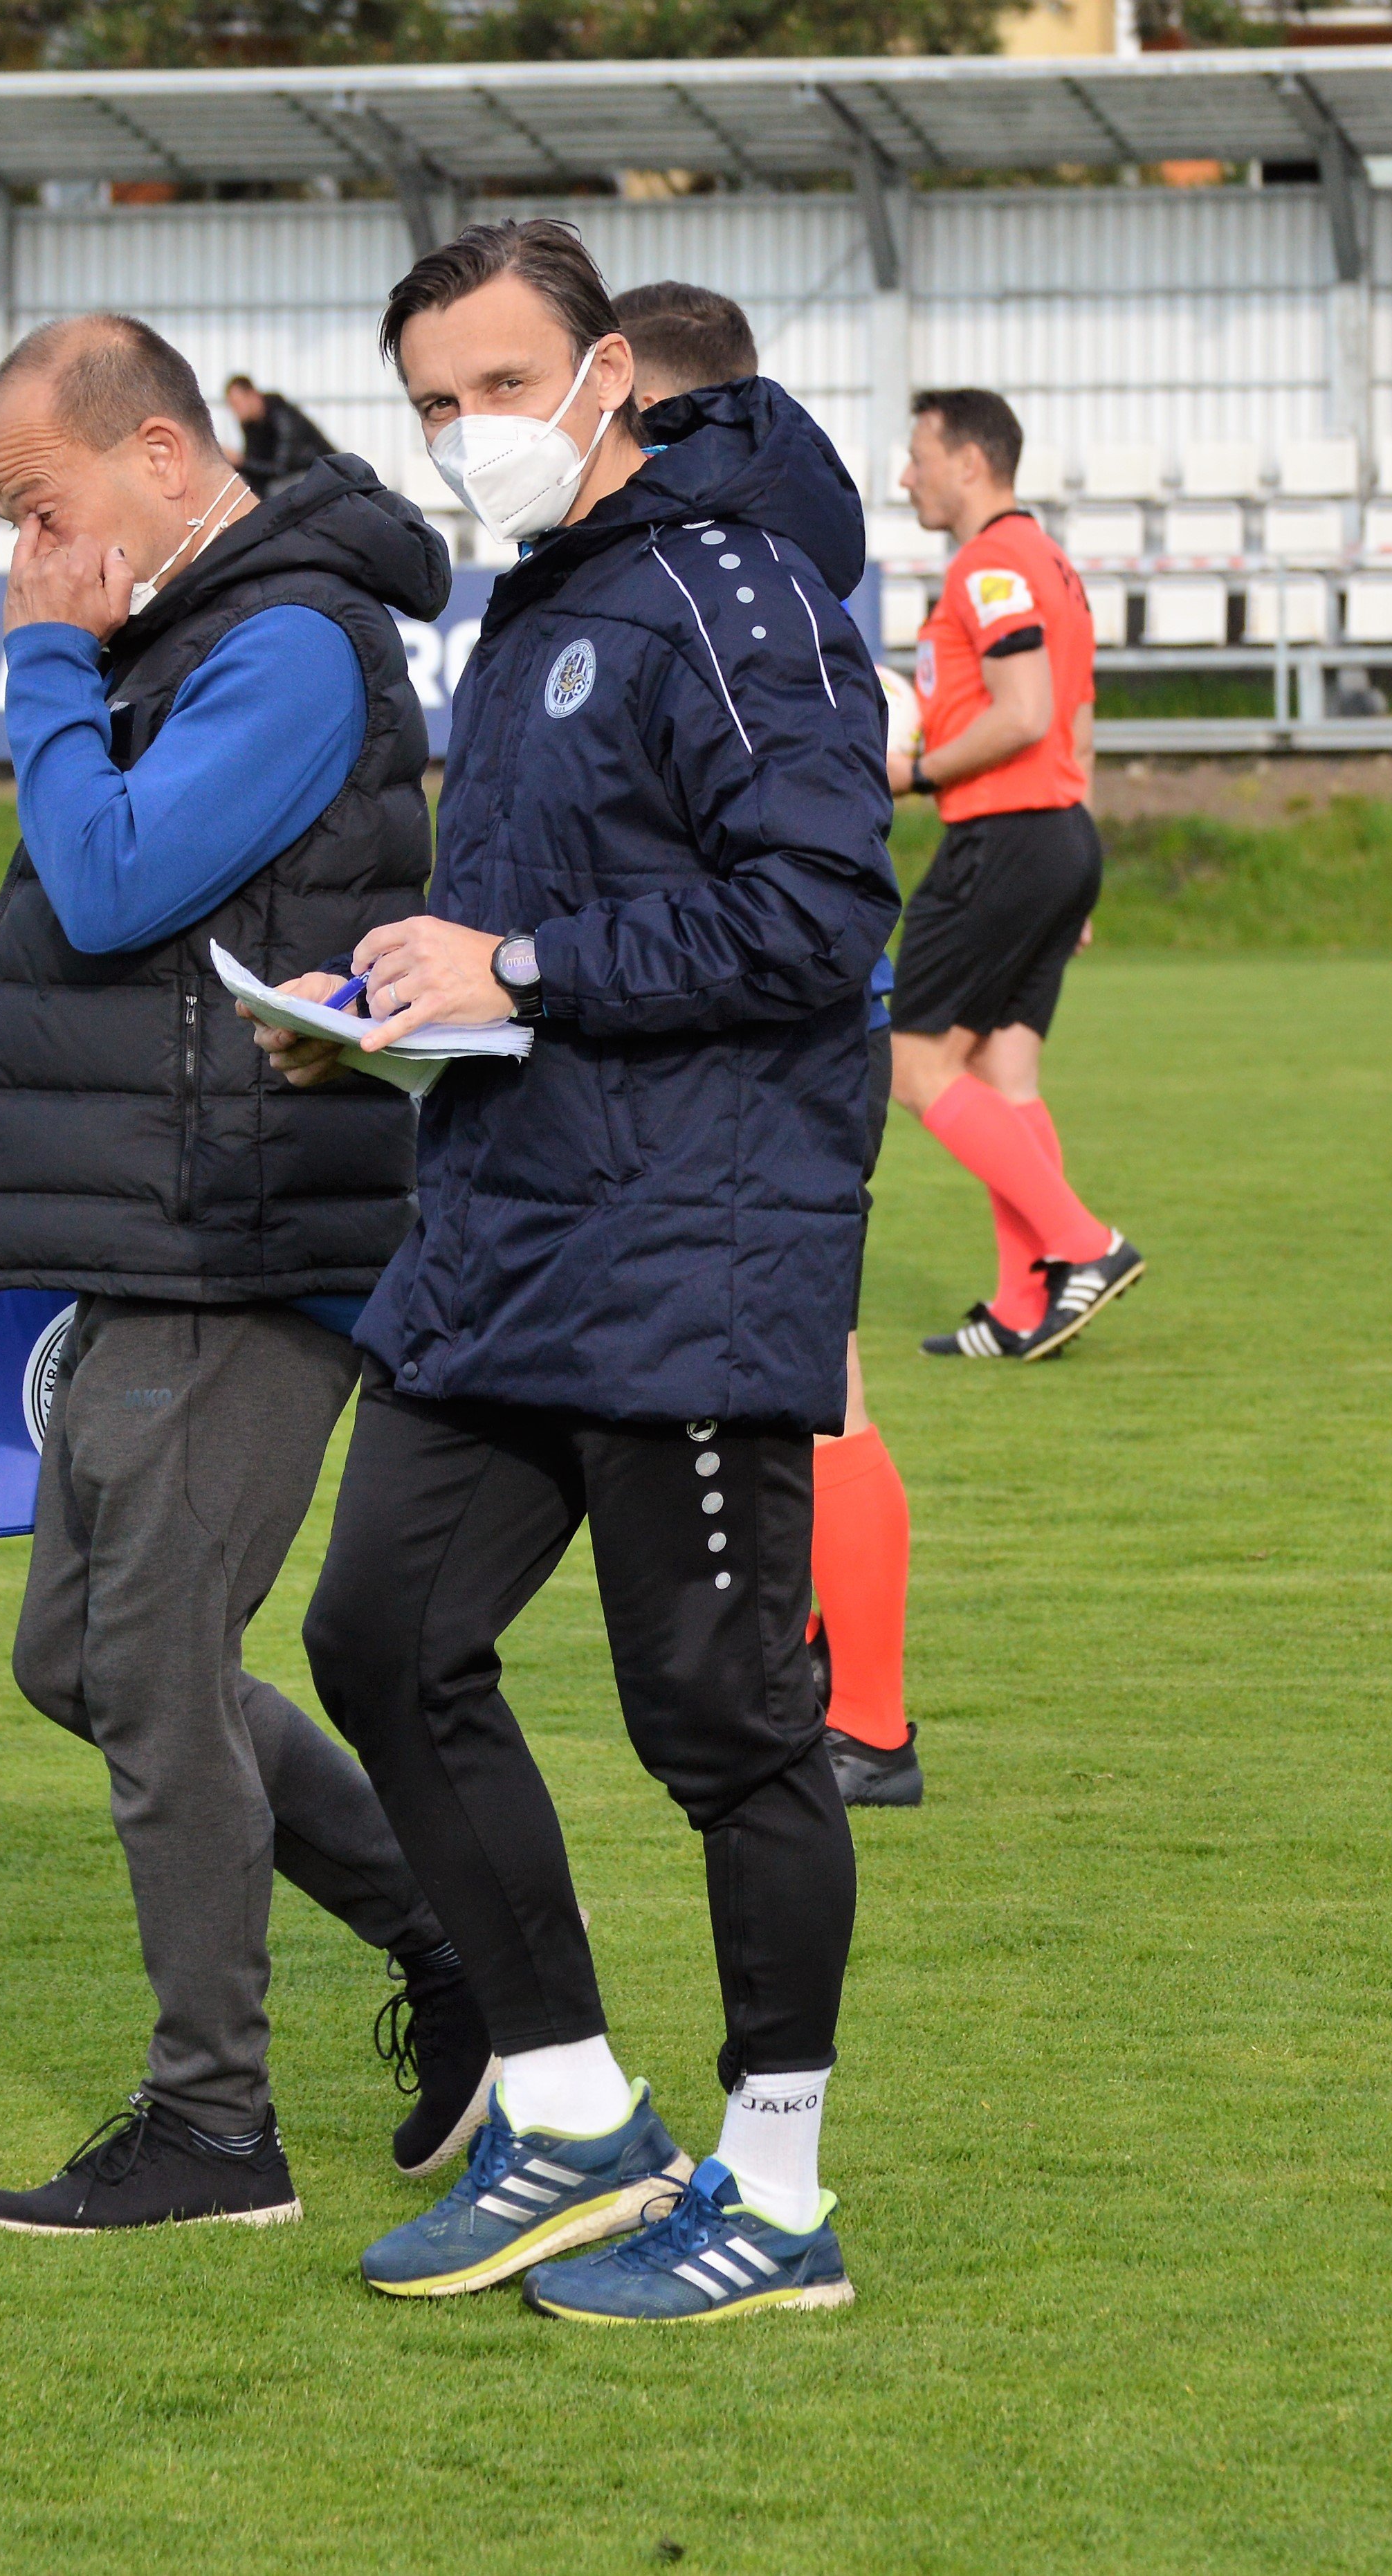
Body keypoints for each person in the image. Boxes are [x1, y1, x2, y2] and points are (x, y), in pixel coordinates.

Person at [253, 219, 895, 2323]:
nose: (471, 431)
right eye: (435, 402)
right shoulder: (543, 596)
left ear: (609, 371)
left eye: (504, 384)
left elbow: (819, 914)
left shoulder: (736, 588)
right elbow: (547, 939)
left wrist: (516, 963)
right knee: (381, 1635)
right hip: (513, 1227)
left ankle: (776, 2198)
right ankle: (571, 2111)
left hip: (691, 1240)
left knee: (720, 1721)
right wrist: (393, 1010)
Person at [0, 313, 488, 2238]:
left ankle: (213, 2129)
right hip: (170, 1221)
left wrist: (43, 664)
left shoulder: (285, 643)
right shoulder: (200, 628)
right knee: (74, 1661)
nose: (25, 550)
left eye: (39, 504)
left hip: (247, 1232)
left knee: (155, 1670)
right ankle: (464, 1953)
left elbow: (111, 884)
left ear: (162, 457)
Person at [612, 280, 922, 1812]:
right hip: (774, 1024)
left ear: (646, 405)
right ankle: (818, 1680)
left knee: (818, 1373)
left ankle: (867, 1719)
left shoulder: (731, 575)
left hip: (779, 1034)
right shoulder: (770, 555)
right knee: (775, 1371)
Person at [889, 385, 1145, 1364]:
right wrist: (1073, 865)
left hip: (1003, 836)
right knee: (1004, 1071)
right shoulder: (1051, 565)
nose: (905, 476)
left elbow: (1028, 711)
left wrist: (915, 771)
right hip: (1055, 833)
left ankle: (1084, 1244)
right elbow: (1076, 721)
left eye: (918, 457)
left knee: (913, 1065)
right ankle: (1022, 1304)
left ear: (969, 462)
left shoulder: (989, 565)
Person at [222, 375, 331, 499]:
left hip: (319, 473)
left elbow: (280, 468)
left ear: (253, 396)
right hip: (297, 476)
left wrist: (242, 462)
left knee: (275, 491)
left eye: (237, 404)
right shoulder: (251, 425)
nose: (235, 410)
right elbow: (257, 468)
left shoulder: (282, 417)